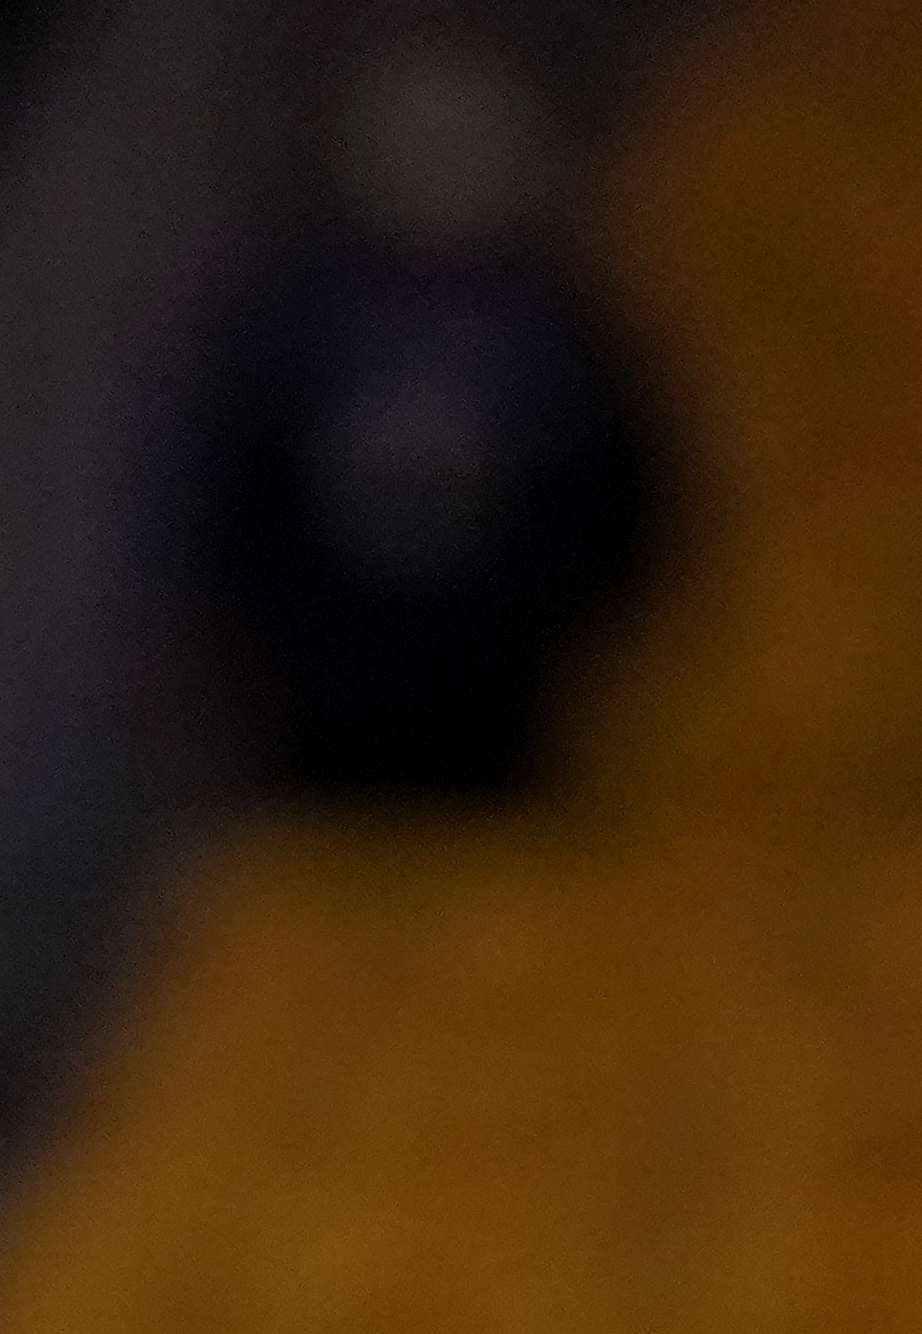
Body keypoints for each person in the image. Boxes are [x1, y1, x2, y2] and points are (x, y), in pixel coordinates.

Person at [187, 22, 675, 802]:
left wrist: (558, 637)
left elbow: (623, 516)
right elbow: (229, 511)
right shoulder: (297, 330)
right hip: (321, 734)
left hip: (505, 729)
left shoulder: (555, 340)